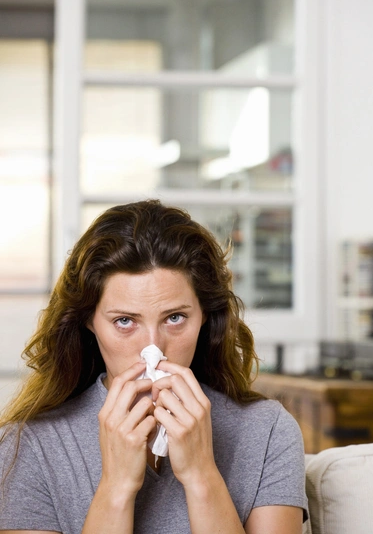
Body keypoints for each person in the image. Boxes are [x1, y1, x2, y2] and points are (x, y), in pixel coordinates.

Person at [0, 200, 308, 534]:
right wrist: (116, 487)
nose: (153, 349)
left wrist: (201, 475)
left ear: (205, 317)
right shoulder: (28, 446)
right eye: (124, 321)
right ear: (88, 321)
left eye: (175, 318)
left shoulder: (268, 431)